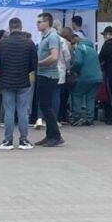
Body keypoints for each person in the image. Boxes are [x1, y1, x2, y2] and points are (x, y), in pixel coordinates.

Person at [0, 18, 37, 150]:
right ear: (21, 26)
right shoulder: (29, 44)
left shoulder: (2, 43)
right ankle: (24, 141)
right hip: (23, 81)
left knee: (9, 111)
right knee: (23, 111)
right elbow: (33, 64)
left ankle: (8, 141)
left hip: (6, 81)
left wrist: (5, 70)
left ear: (10, 27)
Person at [34, 12, 64, 147]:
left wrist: (38, 63)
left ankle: (56, 136)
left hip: (48, 75)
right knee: (45, 105)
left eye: (40, 22)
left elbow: (54, 57)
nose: (37, 24)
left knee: (46, 106)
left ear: (47, 23)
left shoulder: (52, 37)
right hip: (44, 74)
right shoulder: (45, 36)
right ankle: (50, 135)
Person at [69, 31, 101, 126]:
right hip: (97, 77)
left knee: (77, 94)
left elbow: (78, 62)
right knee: (90, 97)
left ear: (75, 43)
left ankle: (76, 117)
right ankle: (89, 119)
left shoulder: (79, 48)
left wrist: (72, 69)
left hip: (85, 77)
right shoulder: (92, 49)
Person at [55, 23, 73, 125]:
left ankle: (44, 117)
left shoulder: (46, 39)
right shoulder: (65, 43)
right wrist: (68, 68)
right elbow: (68, 58)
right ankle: (58, 117)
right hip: (61, 72)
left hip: (48, 72)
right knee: (59, 96)